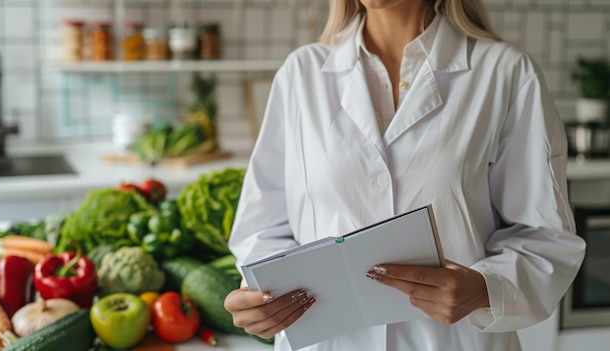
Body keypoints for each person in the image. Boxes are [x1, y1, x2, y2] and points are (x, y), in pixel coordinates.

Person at [224, 0, 587, 350]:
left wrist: (483, 289)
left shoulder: (506, 72)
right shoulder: (301, 73)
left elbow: (544, 237)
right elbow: (262, 231)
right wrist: (260, 299)